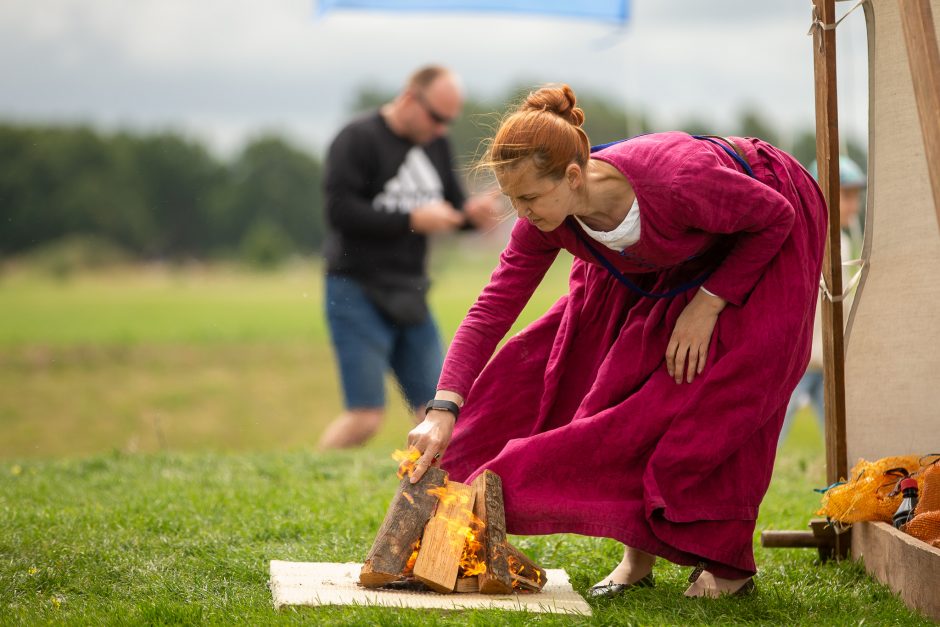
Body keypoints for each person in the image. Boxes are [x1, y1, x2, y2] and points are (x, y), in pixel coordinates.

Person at [406, 84, 827, 598]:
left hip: (765, 218)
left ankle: (728, 568)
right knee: (614, 386)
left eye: (530, 198)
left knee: (717, 388)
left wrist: (708, 304)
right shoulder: (548, 220)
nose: (522, 213)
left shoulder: (678, 180)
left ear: (574, 176)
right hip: (665, 252)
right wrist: (443, 407)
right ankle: (636, 561)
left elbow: (774, 217)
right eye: (512, 199)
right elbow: (492, 308)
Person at [319, 65, 498, 450]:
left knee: (438, 412)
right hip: (355, 288)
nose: (440, 129)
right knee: (364, 418)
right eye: (436, 118)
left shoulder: (436, 144)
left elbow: (451, 209)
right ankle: (307, 478)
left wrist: (472, 216)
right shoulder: (356, 139)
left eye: (448, 121)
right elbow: (340, 213)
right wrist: (412, 219)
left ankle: (434, 498)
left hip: (410, 291)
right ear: (409, 98)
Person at [777, 155, 866, 446]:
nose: (854, 205)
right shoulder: (808, 237)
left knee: (840, 435)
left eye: (856, 196)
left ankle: (843, 482)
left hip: (826, 359)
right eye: (847, 195)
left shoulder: (842, 241)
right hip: (798, 359)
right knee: (772, 428)